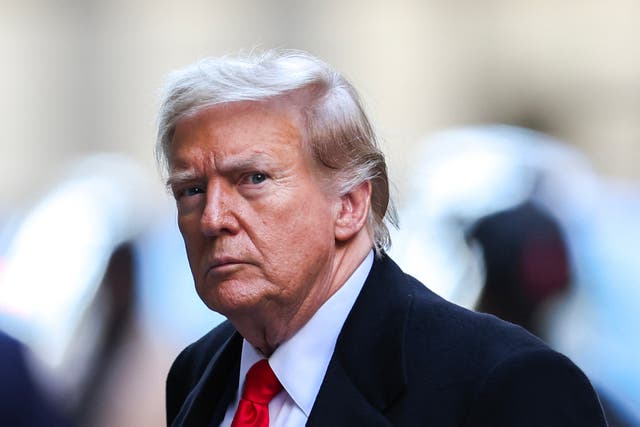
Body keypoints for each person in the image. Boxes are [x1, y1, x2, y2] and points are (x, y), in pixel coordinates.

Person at [157, 50, 607, 426]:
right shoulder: (198, 372)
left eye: (253, 179)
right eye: (190, 190)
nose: (213, 218)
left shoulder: (507, 384)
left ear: (350, 205)